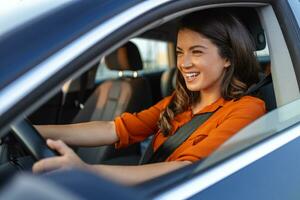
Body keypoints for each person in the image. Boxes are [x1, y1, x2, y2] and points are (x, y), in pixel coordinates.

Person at [33, 10, 266, 185]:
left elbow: (185, 168)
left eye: (196, 52)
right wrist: (37, 131)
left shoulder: (247, 108)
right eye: (179, 52)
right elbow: (113, 129)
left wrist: (87, 171)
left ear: (228, 58)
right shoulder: (179, 102)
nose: (183, 64)